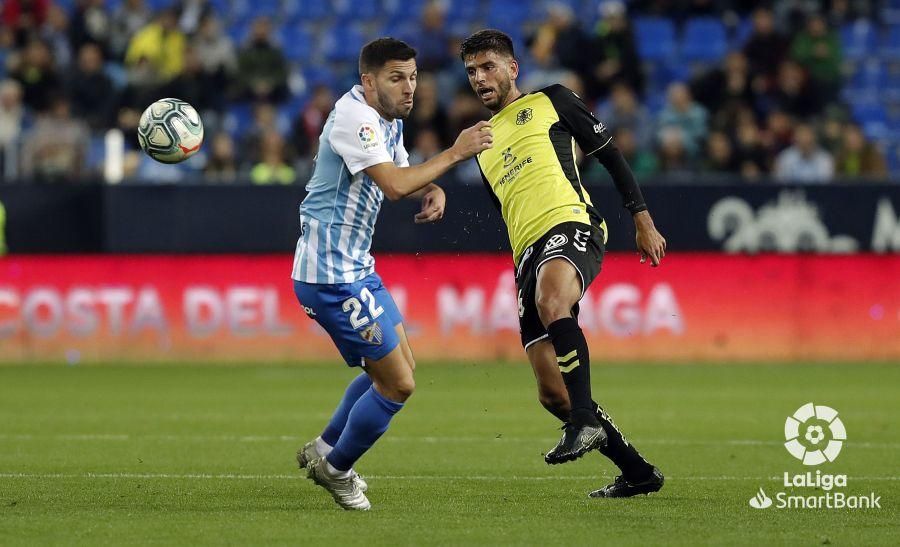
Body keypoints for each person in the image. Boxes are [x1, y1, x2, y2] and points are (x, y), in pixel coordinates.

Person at [459, 29, 666, 498]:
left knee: (554, 301)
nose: (480, 78)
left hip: (572, 223)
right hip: (526, 254)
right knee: (553, 392)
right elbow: (510, 208)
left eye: (489, 66)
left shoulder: (551, 100)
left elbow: (610, 154)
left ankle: (583, 422)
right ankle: (636, 472)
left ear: (513, 68)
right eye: (472, 71)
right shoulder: (480, 144)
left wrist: (642, 220)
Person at [294, 38, 492, 511]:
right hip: (330, 275)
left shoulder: (387, 120)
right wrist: (455, 153)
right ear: (368, 81)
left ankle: (323, 448)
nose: (410, 88)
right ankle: (336, 469)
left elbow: (403, 174)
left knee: (398, 364)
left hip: (356, 267)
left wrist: (435, 187)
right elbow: (394, 184)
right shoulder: (354, 118)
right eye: (396, 78)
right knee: (398, 383)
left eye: (414, 76)